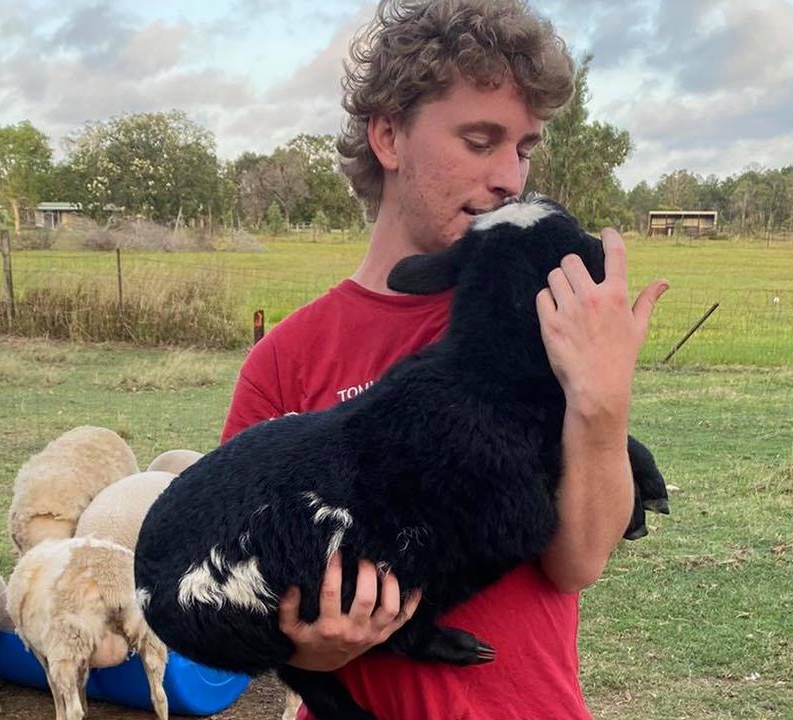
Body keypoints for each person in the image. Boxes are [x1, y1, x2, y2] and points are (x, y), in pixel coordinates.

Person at [220, 1, 669, 717]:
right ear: (390, 135)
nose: (508, 179)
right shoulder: (287, 359)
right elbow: (246, 592)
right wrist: (314, 646)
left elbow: (577, 561)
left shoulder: (544, 322)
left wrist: (602, 398)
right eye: (480, 140)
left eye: (522, 149)